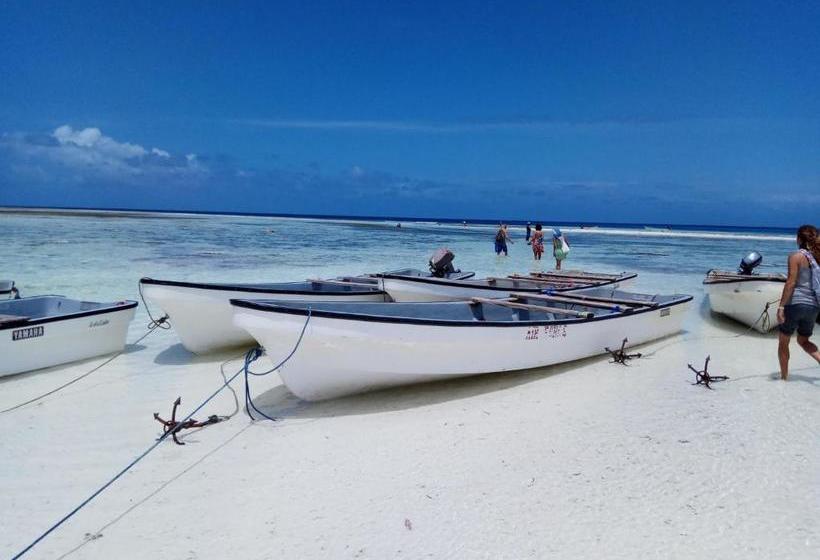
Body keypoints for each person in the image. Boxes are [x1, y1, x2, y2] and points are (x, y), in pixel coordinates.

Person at [777, 224, 820, 380]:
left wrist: (781, 307)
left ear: (799, 239)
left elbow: (791, 282)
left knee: (783, 342)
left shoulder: (796, 256)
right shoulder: (818, 258)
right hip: (814, 306)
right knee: (803, 340)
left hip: (796, 304)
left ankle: (784, 378)